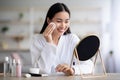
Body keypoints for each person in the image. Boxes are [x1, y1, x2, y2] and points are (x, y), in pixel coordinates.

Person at [30, 2, 93, 76]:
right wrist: (49, 43)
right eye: (59, 21)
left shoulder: (72, 39)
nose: (63, 26)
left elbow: (89, 66)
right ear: (49, 21)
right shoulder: (37, 40)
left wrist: (72, 70)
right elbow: (39, 70)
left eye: (66, 21)